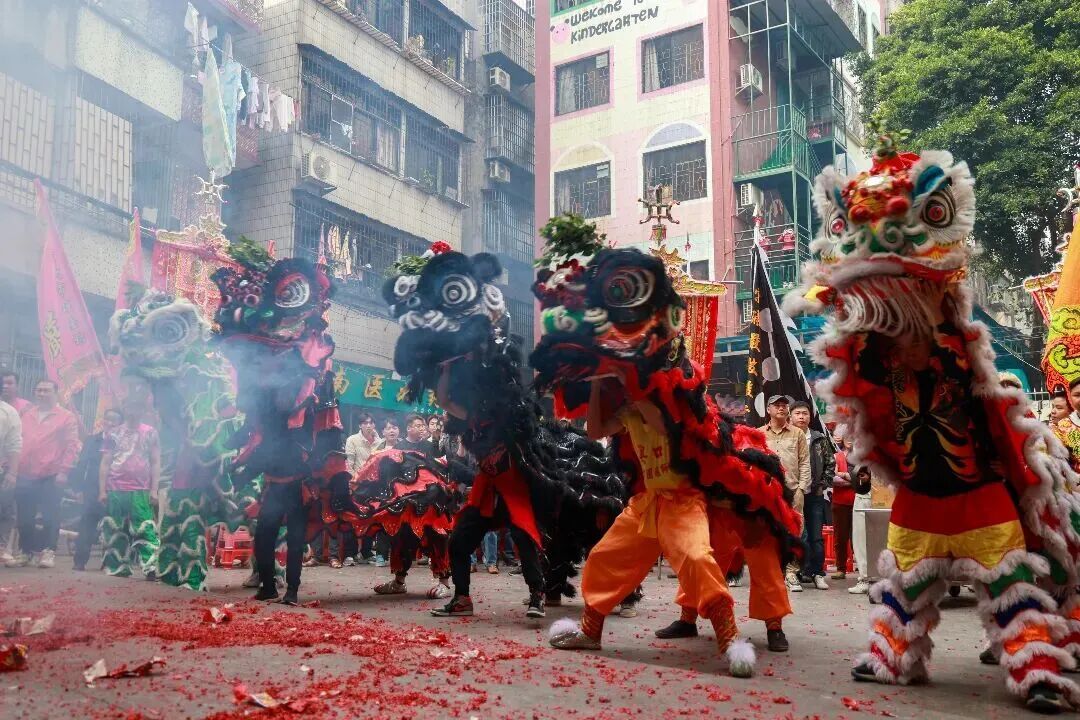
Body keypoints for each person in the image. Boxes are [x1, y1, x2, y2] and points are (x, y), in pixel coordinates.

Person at [548, 373, 748, 675]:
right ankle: (590, 632)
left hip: (683, 501)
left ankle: (731, 640)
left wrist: (631, 381)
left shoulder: (672, 405)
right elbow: (595, 431)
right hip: (647, 502)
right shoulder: (628, 412)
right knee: (603, 557)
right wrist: (597, 383)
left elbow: (663, 425)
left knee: (697, 558)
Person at [430, 362, 548, 620]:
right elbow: (444, 401)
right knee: (458, 541)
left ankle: (537, 595)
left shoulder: (514, 416)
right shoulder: (473, 417)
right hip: (486, 492)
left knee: (523, 538)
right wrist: (447, 370)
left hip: (514, 490)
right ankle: (462, 599)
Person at [7, 380, 80, 569]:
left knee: (50, 515)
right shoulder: (26, 414)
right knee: (24, 516)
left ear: (56, 393)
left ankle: (49, 551)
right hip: (25, 473)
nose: (42, 394)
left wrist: (64, 471)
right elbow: (16, 439)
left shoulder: (66, 417)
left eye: (46, 390)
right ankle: (26, 551)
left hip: (51, 473)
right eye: (39, 390)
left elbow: (72, 446)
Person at [98, 400, 161, 579]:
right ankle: (118, 566)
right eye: (130, 407)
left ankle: (150, 567)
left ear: (143, 410)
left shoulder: (150, 432)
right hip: (115, 488)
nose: (133, 411)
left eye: (137, 407)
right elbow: (105, 462)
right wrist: (102, 490)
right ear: (125, 409)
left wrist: (154, 490)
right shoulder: (113, 433)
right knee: (116, 527)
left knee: (144, 527)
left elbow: (156, 462)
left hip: (140, 489)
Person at [758, 395, 810, 592]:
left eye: (784, 405)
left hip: (793, 490)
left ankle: (791, 572)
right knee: (768, 530)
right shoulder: (759, 433)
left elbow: (804, 462)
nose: (781, 408)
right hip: (767, 490)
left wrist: (802, 488)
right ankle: (772, 571)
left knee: (794, 531)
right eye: (777, 405)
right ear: (768, 410)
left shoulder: (797, 433)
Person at [71, 409, 122, 571]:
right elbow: (81, 464)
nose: (110, 423)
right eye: (108, 419)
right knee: (86, 524)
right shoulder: (92, 440)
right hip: (92, 489)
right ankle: (80, 561)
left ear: (121, 424)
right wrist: (78, 489)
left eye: (114, 420)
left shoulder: (123, 442)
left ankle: (110, 562)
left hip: (116, 488)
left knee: (114, 525)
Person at [791, 401, 834, 590]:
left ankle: (817, 572)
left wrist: (822, 485)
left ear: (810, 416)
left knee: (816, 536)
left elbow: (830, 463)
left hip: (814, 495)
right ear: (791, 416)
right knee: (797, 535)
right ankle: (796, 571)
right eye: (798, 413)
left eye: (805, 413)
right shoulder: (788, 437)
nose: (801, 416)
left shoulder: (819, 438)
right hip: (793, 494)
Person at [830, 431, 854, 580]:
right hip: (839, 501)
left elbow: (864, 479)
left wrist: (842, 474)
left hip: (859, 501)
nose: (850, 440)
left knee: (859, 537)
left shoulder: (862, 457)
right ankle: (841, 568)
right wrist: (852, 479)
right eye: (848, 436)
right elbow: (832, 478)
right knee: (840, 537)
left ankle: (863, 569)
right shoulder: (836, 456)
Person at [0, 397, 22, 564]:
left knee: (4, 509)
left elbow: (14, 444)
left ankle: (2, 547)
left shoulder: (8, 412)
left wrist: (12, 473)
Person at [846, 465, 874, 595]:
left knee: (862, 540)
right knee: (861, 539)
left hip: (874, 495)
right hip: (866, 495)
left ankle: (867, 579)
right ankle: (866, 579)